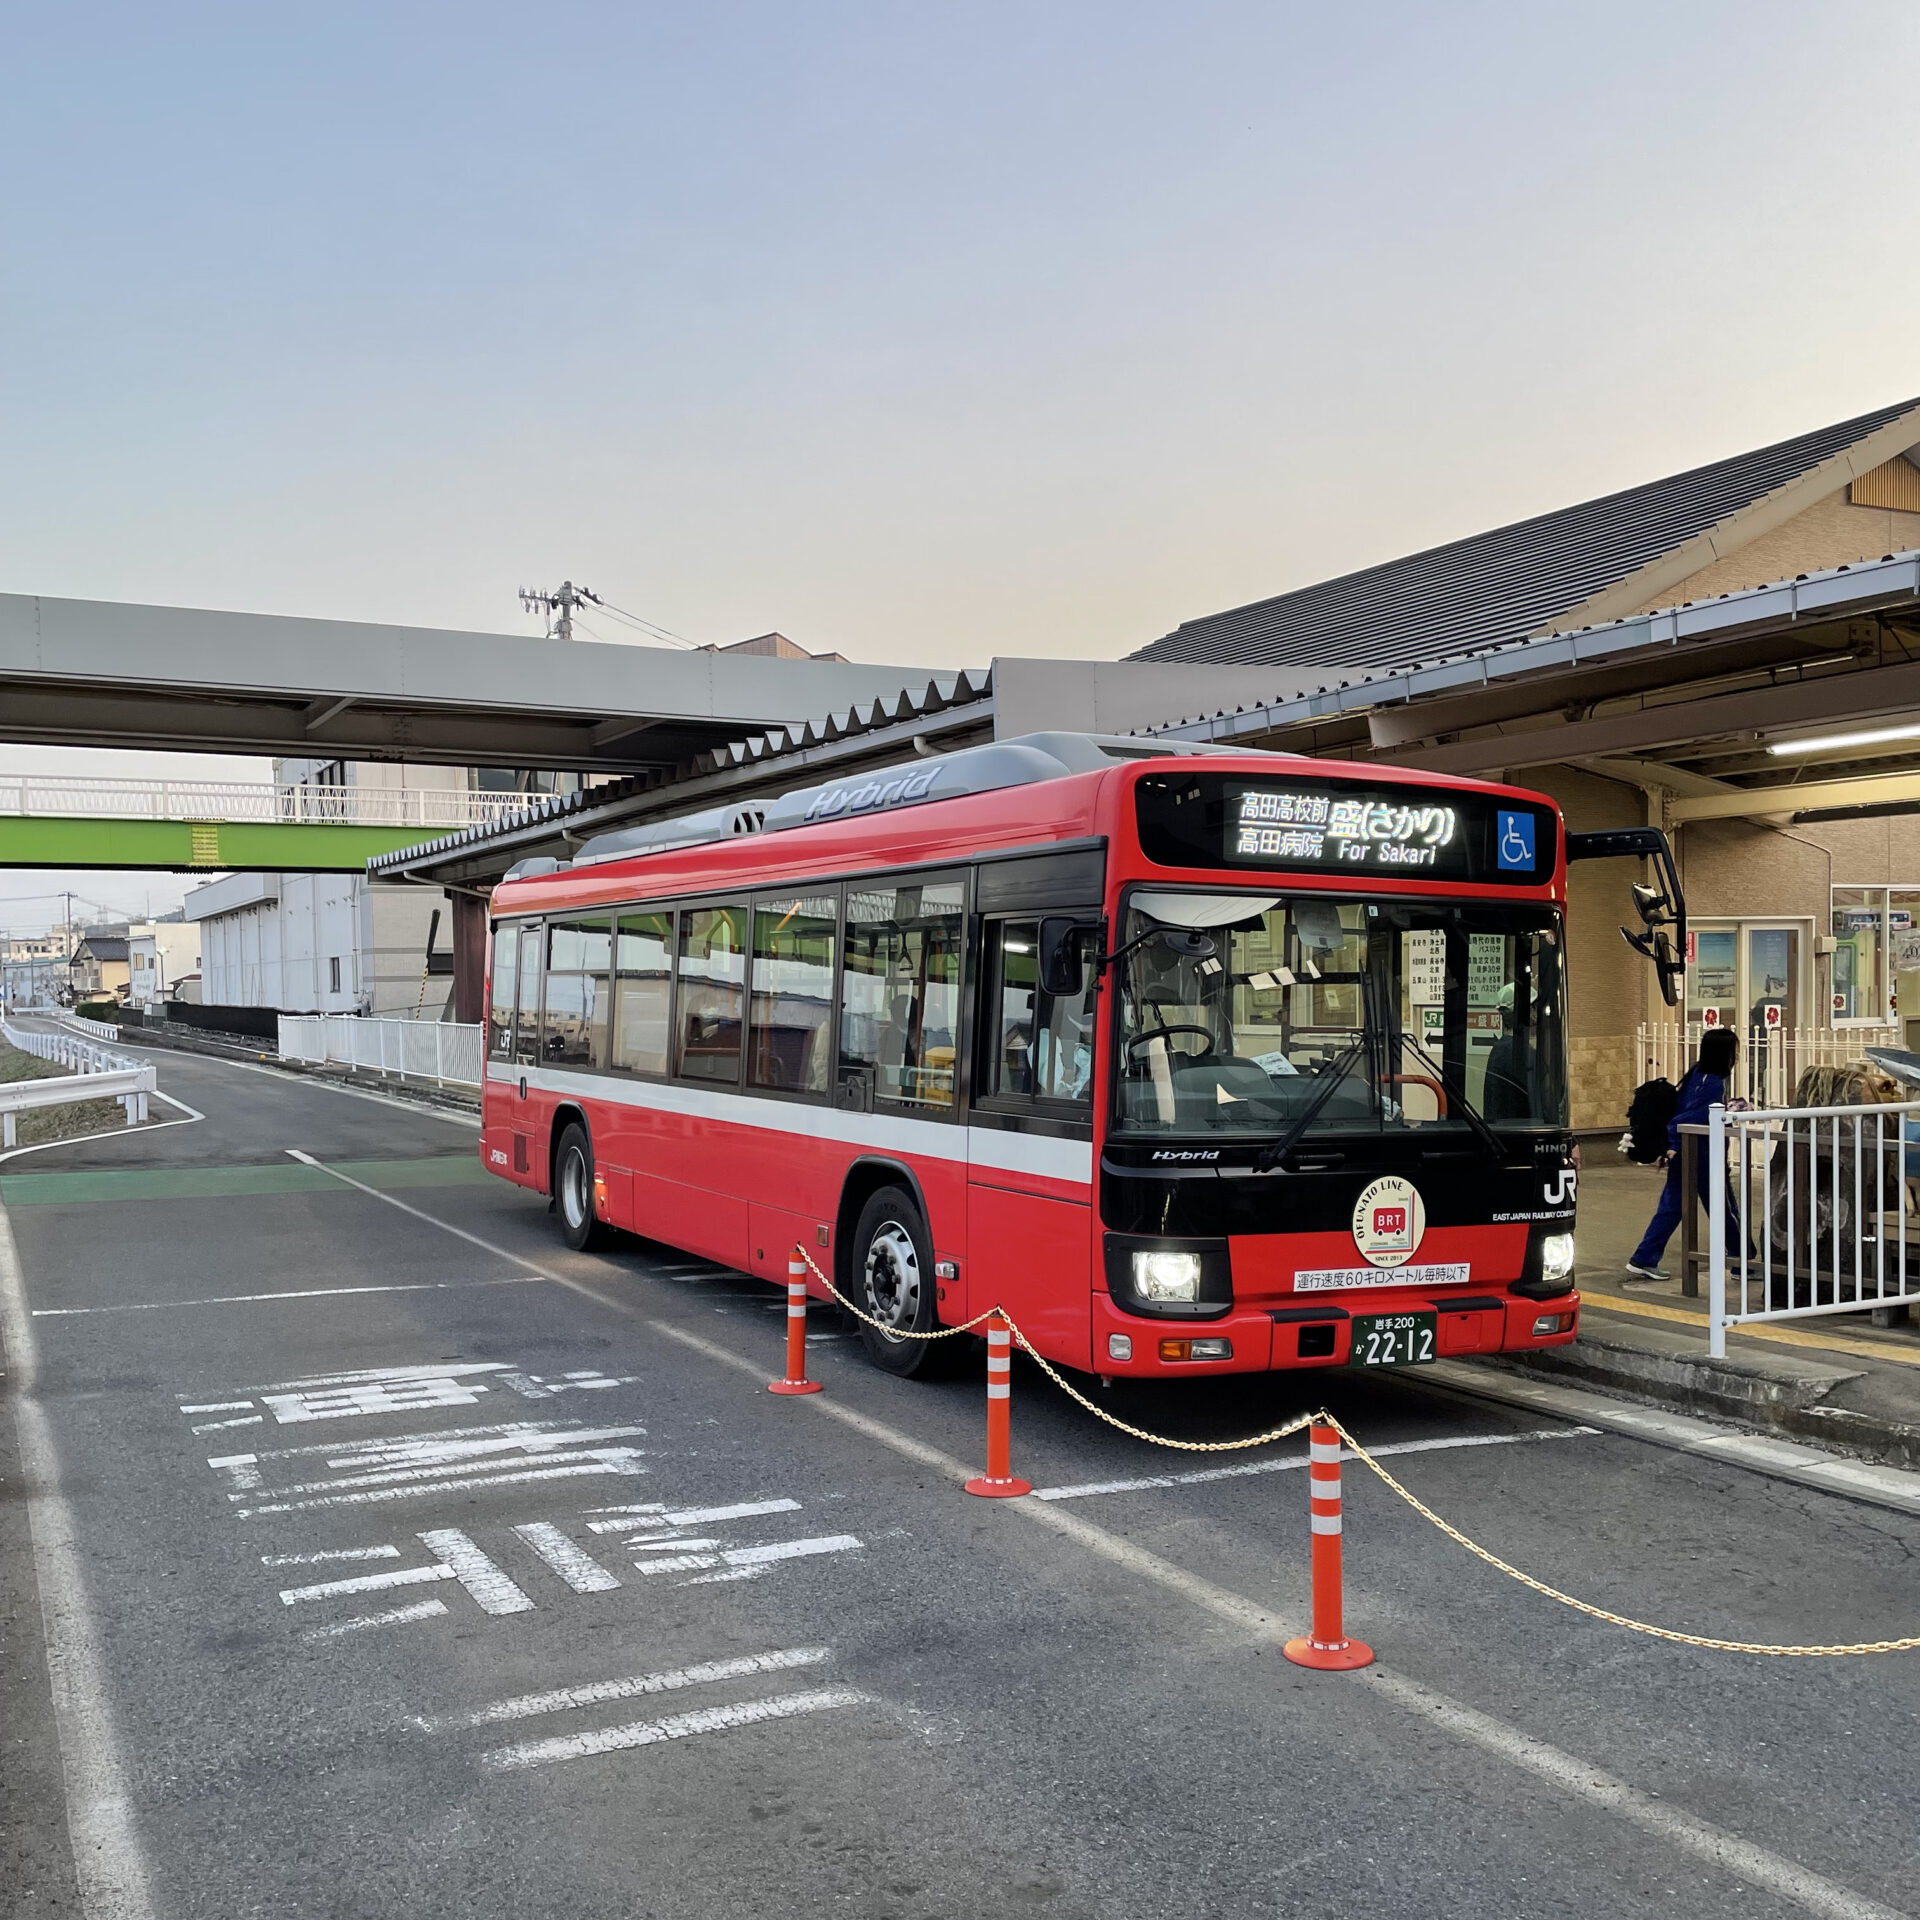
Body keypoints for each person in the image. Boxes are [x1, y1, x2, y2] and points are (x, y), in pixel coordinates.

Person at [1625, 1027, 1744, 1282]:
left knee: (1672, 1206)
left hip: (1685, 1151)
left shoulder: (1696, 1074)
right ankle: (1741, 1259)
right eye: (1733, 1050)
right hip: (1702, 1153)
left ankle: (1644, 1257)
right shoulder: (1713, 1081)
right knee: (1723, 1207)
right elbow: (1698, 1115)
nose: (1736, 1055)